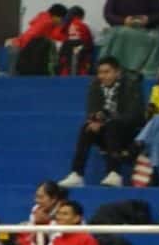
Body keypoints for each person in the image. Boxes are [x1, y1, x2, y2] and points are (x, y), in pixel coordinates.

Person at [59, 57, 144, 188]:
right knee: (87, 128)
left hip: (129, 134)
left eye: (107, 72)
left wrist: (107, 118)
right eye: (100, 72)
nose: (102, 76)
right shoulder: (95, 86)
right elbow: (91, 110)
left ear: (117, 73)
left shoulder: (131, 85)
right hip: (107, 131)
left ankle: (114, 173)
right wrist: (94, 119)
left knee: (113, 124)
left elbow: (134, 115)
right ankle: (77, 174)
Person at [100, 0, 159, 77]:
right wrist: (124, 21)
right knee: (118, 34)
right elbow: (108, 14)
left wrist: (148, 19)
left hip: (144, 31)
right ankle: (115, 70)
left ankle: (145, 73)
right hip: (122, 28)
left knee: (156, 39)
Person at [56, 6, 94, 76]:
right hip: (81, 65)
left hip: (65, 67)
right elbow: (89, 44)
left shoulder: (62, 26)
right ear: (81, 16)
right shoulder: (83, 26)